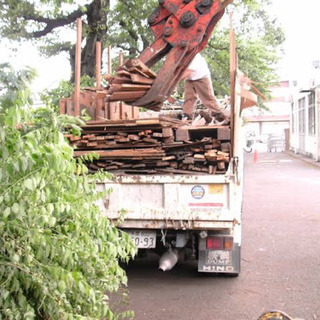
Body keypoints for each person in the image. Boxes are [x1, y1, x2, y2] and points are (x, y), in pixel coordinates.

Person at [181, 53, 228, 123]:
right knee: (189, 98)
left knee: (208, 98)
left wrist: (173, 81)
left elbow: (188, 71)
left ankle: (219, 116)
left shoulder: (194, 56)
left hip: (201, 77)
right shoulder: (180, 56)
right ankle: (187, 117)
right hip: (190, 79)